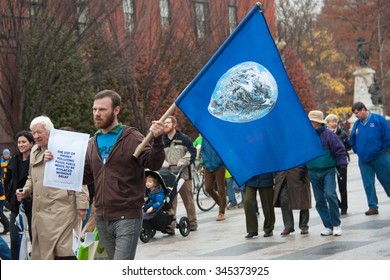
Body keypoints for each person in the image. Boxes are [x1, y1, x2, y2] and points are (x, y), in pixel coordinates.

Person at [82, 89, 165, 260]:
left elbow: (153, 163)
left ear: (116, 110)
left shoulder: (131, 137)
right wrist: (54, 163)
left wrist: (157, 140)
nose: (97, 114)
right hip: (102, 218)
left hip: (127, 216)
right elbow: (86, 177)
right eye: (94, 109)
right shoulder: (91, 142)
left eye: (102, 110)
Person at [16, 116, 89, 260]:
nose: (36, 136)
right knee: (45, 254)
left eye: (39, 132)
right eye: (33, 132)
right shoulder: (35, 150)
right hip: (40, 211)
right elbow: (32, 176)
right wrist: (26, 190)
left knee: (64, 252)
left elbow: (78, 176)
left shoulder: (64, 146)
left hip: (62, 210)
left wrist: (82, 205)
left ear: (49, 132)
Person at [306, 110, 348, 236]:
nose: (310, 123)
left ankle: (336, 224)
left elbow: (340, 150)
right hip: (313, 172)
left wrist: (342, 165)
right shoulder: (307, 136)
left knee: (330, 195)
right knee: (319, 200)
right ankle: (328, 225)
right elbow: (304, 155)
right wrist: (302, 170)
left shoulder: (329, 135)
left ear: (317, 122)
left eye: (312, 121)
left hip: (328, 170)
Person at [349, 102, 390, 215]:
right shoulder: (357, 125)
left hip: (380, 157)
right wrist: (358, 151)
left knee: (387, 179)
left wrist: (384, 149)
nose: (356, 115)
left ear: (363, 109)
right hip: (364, 159)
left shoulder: (378, 120)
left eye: (357, 113)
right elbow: (352, 140)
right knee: (368, 183)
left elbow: (388, 135)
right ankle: (372, 206)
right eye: (354, 113)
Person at [162, 115, 198, 232]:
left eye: (168, 122)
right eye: (164, 123)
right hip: (169, 176)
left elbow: (192, 152)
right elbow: (156, 155)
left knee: (188, 199)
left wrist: (183, 161)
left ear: (174, 125)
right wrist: (163, 162)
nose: (165, 125)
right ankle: (171, 225)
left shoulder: (183, 138)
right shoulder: (162, 140)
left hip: (184, 175)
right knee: (170, 201)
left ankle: (192, 223)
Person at [3, 131, 34, 259]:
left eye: (24, 142)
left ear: (31, 144)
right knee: (14, 238)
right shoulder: (13, 160)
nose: (21, 144)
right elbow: (7, 182)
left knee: (35, 237)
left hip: (32, 204)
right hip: (16, 204)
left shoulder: (36, 160)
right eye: (19, 142)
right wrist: (10, 198)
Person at [273, 166, 311, 235]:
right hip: (283, 173)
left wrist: (303, 170)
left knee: (303, 200)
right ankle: (288, 226)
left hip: (299, 172)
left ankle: (304, 225)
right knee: (283, 200)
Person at [325, 113, 350, 215]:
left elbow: (348, 146)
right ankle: (338, 204)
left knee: (342, 186)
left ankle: (344, 207)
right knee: (329, 188)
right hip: (329, 164)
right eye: (331, 121)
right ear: (327, 124)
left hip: (340, 163)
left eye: (335, 121)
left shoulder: (342, 133)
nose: (334, 123)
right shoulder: (324, 134)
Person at [200, 137, 226, 221]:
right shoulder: (204, 137)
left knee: (220, 189)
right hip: (208, 166)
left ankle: (221, 212)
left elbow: (224, 150)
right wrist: (205, 162)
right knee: (208, 188)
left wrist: (220, 161)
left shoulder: (218, 136)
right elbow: (202, 150)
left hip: (219, 166)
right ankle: (222, 203)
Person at [243, 173, 275, 238]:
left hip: (266, 177)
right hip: (250, 178)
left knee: (267, 205)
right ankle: (252, 229)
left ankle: (268, 228)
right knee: (247, 201)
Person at [0, 149, 11, 235]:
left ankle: (8, 226)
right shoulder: (1, 162)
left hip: (1, 192)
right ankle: (7, 226)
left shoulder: (10, 162)